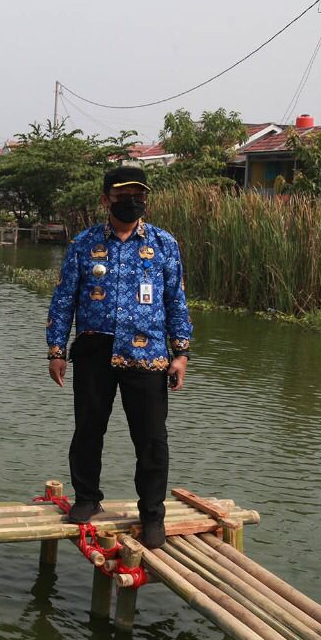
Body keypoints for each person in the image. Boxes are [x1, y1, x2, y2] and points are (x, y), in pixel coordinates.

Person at [46, 165, 192, 550]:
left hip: (148, 355)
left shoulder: (163, 244)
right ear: (105, 199)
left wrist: (181, 353)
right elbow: (64, 299)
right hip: (95, 351)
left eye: (138, 196)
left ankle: (152, 514)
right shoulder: (84, 243)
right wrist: (56, 350)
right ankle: (87, 498)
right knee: (89, 429)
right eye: (123, 196)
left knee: (151, 439)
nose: (131, 202)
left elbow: (176, 300)